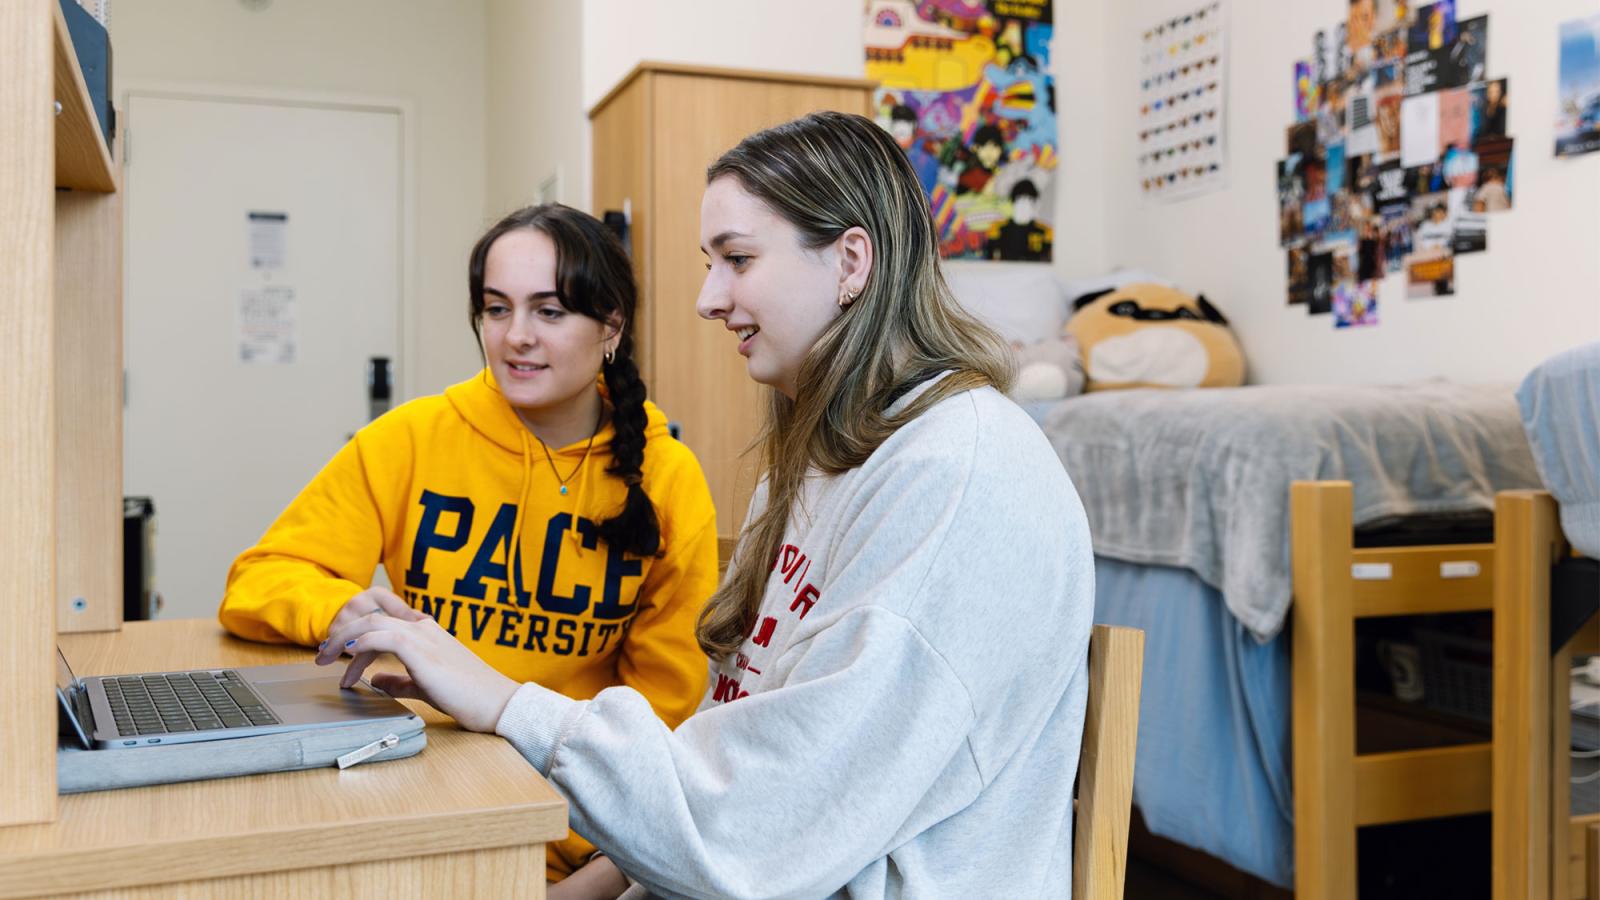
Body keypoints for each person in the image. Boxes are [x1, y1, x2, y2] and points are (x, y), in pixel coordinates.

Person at [317, 111, 1096, 899]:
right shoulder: (817, 465)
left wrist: (505, 702)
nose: (707, 299)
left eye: (738, 259)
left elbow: (752, 829)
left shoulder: (959, 476)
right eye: (709, 263)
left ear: (851, 261)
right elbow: (727, 768)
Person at [219, 203, 719, 883]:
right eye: (496, 308)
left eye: (549, 311)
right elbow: (259, 579)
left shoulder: (668, 478)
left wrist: (596, 869)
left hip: (577, 828)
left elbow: (664, 715)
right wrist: (339, 608)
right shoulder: (410, 439)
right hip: (419, 802)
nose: (516, 337)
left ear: (611, 326)